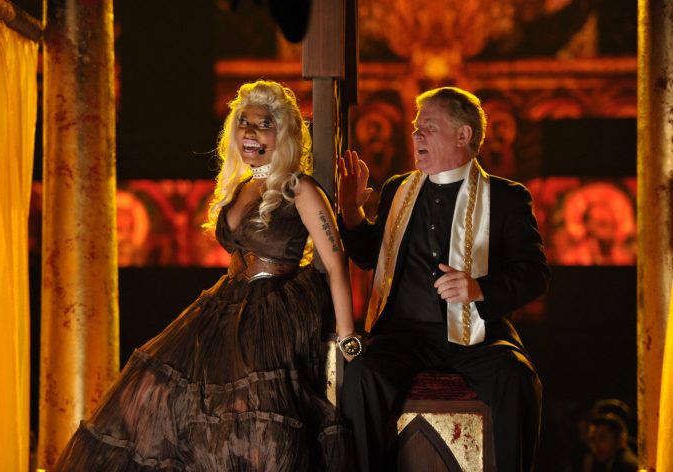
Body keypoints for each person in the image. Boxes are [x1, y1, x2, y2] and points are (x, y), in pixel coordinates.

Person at [54, 80, 356, 471]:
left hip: (275, 309)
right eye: (244, 122)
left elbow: (335, 263)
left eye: (263, 123)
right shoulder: (243, 186)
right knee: (151, 393)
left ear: (283, 133)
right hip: (226, 304)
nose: (250, 132)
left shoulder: (300, 188)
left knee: (255, 417)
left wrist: (348, 337)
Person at [337, 86, 550, 472]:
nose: (415, 135)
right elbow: (370, 256)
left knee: (517, 378)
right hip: (405, 335)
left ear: (463, 135)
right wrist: (352, 215)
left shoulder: (506, 197)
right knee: (362, 376)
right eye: (416, 128)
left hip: (479, 337)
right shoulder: (397, 189)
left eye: (428, 127)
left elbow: (534, 275)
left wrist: (479, 289)